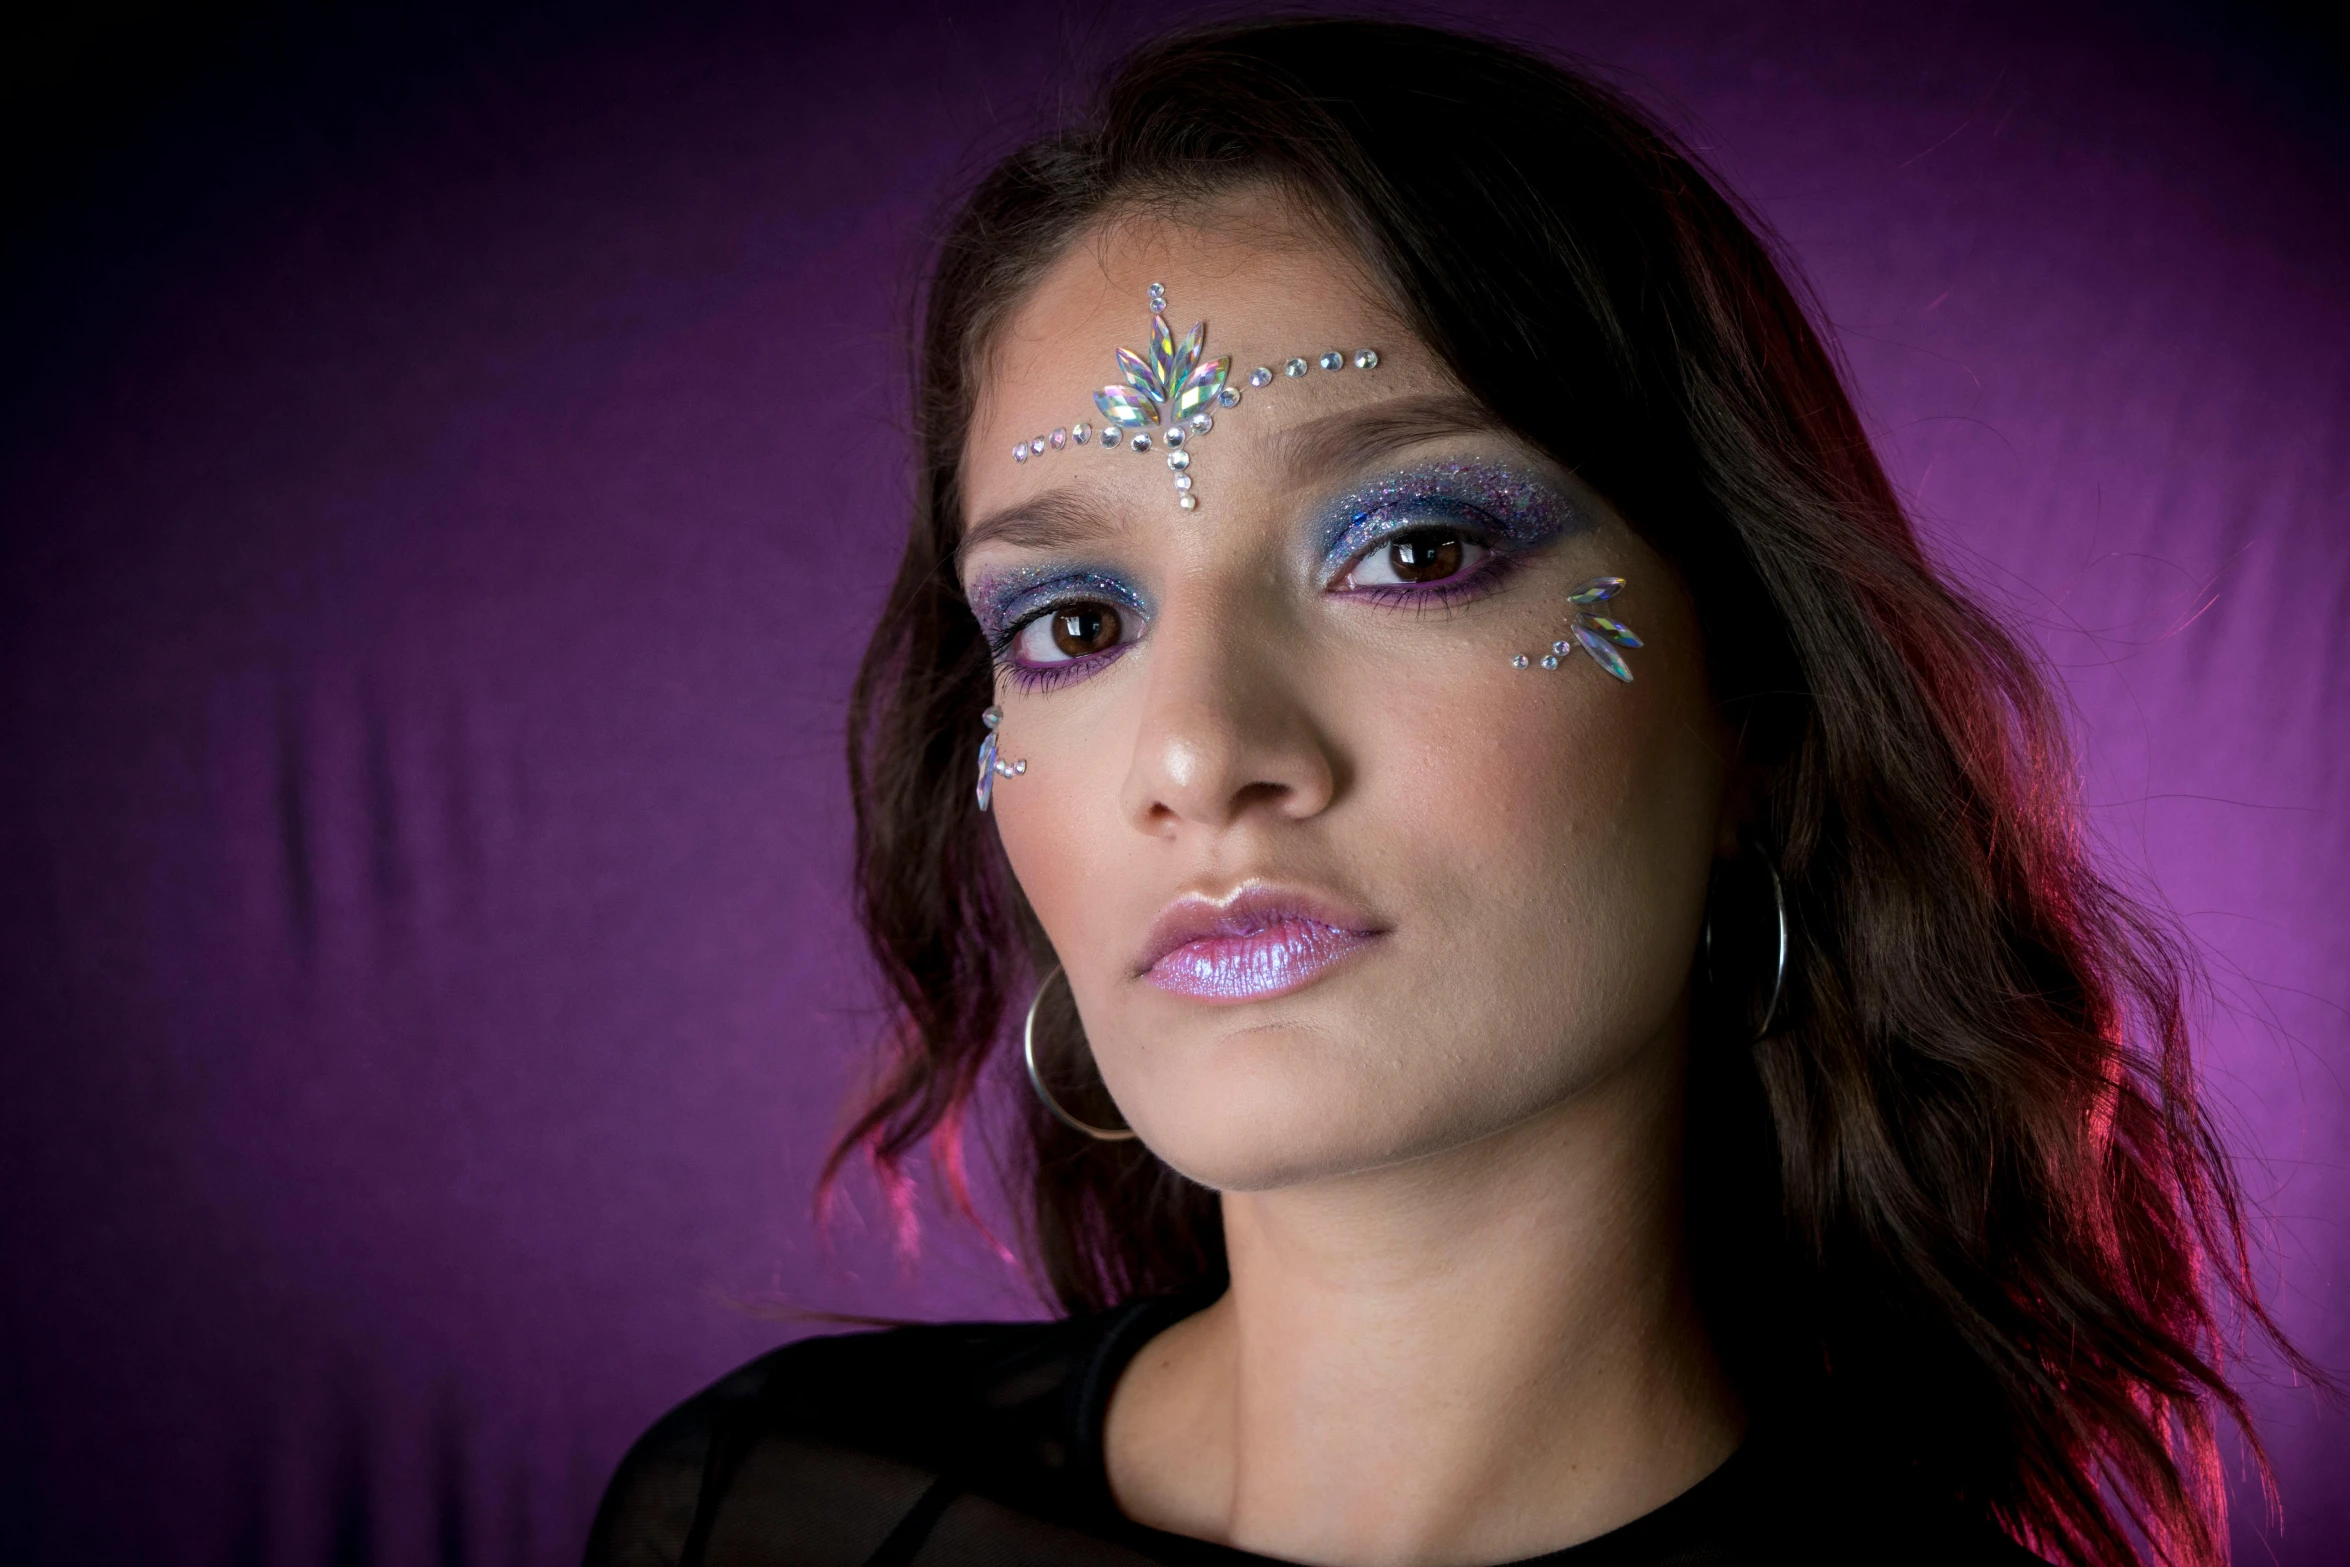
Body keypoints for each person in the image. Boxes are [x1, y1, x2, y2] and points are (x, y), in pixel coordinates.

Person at [587, 19, 2301, 1567]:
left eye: (1412, 549)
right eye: (1076, 619)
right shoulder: (759, 1512)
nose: (1193, 755)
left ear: (1758, 723)